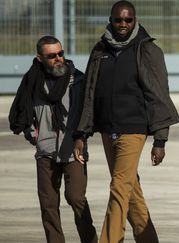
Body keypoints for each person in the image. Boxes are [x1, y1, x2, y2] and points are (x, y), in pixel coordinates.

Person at [72, 1, 179, 242]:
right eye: (118, 20)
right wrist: (81, 134)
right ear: (111, 20)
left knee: (119, 188)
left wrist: (160, 139)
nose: (123, 24)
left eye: (128, 20)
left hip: (134, 129)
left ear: (135, 20)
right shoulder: (100, 50)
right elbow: (89, 93)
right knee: (130, 191)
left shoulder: (148, 50)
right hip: (107, 130)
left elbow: (159, 95)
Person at [8, 35, 97, 243]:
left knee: (76, 198)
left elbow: (88, 112)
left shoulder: (78, 80)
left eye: (61, 53)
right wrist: (33, 134)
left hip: (73, 149)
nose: (58, 59)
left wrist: (81, 137)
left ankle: (90, 240)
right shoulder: (32, 81)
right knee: (48, 205)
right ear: (40, 58)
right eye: (52, 55)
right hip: (45, 151)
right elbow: (22, 109)